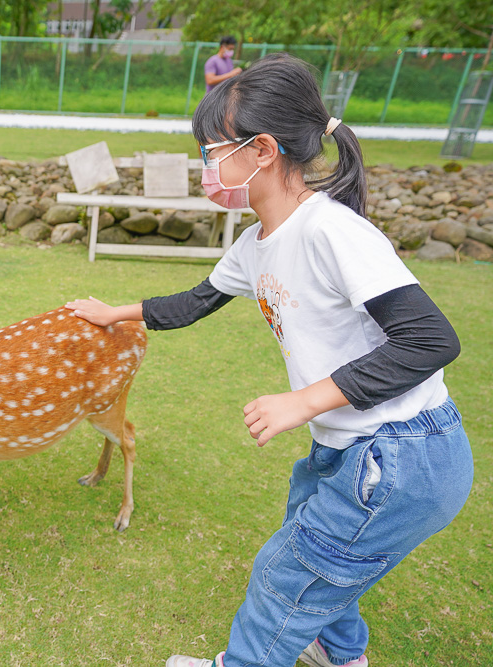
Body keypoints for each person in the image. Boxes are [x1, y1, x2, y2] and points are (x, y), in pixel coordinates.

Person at [66, 53, 473, 667]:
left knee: (287, 577)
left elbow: (430, 341)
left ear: (260, 151)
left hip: (400, 454)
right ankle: (339, 657)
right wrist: (114, 312)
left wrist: (304, 400)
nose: (206, 168)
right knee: (325, 565)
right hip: (348, 448)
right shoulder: (257, 244)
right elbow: (196, 301)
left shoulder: (332, 232)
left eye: (210, 152)